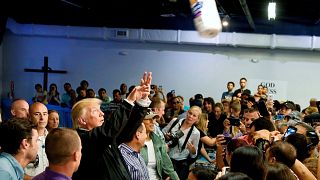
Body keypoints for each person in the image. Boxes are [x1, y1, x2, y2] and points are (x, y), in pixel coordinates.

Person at [72, 72, 152, 180]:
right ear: (82, 120)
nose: (102, 113)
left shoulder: (104, 135)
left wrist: (142, 102)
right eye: (96, 111)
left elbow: (128, 128)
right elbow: (107, 132)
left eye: (101, 110)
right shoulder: (80, 139)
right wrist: (128, 102)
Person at [162, 106, 201, 180]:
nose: (190, 116)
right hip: (166, 159)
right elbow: (163, 132)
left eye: (194, 115)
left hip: (180, 164)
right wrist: (166, 136)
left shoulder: (196, 133)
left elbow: (193, 155)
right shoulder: (175, 121)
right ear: (187, 113)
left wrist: (192, 150)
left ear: (197, 119)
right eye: (190, 113)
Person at [140, 110, 179, 180]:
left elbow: (168, 167)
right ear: (140, 122)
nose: (152, 122)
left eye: (153, 119)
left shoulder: (158, 141)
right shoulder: (135, 143)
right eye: (149, 119)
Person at [24, 102, 49, 178]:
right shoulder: (24, 139)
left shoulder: (53, 138)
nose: (42, 118)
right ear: (29, 117)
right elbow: (15, 168)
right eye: (37, 114)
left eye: (45, 114)